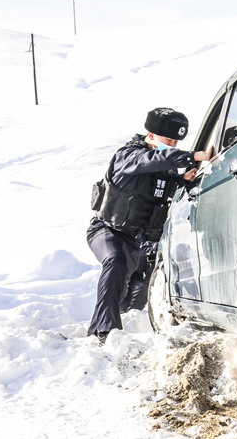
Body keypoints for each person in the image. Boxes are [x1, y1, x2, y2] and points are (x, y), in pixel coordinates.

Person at [87, 107, 212, 345]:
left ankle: (123, 319)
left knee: (138, 290)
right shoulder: (129, 155)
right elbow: (148, 162)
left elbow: (158, 186)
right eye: (168, 140)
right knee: (115, 260)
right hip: (107, 230)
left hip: (137, 239)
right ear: (151, 135)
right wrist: (192, 156)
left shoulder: (165, 166)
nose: (172, 145)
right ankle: (102, 332)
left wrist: (181, 180)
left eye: (176, 142)